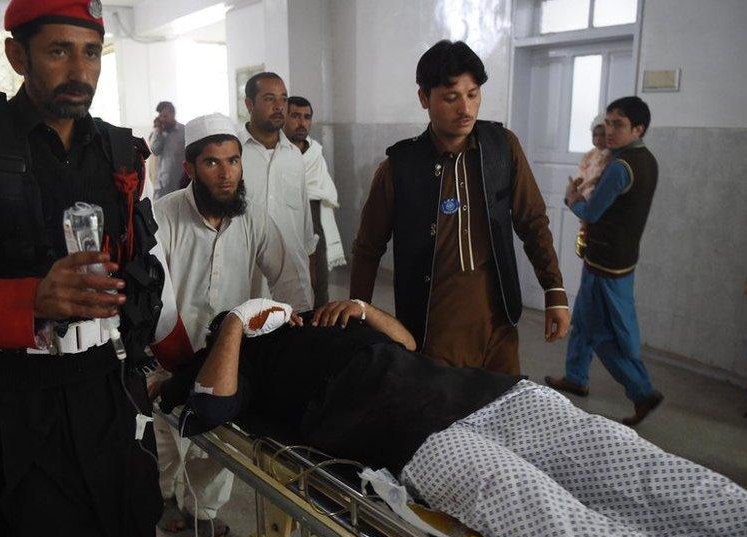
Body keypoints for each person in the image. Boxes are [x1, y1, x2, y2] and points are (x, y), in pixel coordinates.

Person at [159, 298, 747, 537]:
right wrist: (235, 327)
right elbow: (208, 412)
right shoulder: (235, 362)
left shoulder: (314, 318)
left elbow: (409, 345)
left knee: (652, 471)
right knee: (574, 528)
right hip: (416, 441)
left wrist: (362, 310)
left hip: (493, 396)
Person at [0, 1, 193, 537]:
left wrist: (186, 366)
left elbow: (153, 270)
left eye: (92, 52)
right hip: (23, 397)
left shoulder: (122, 151)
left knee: (130, 523)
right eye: (58, 50)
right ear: (16, 54)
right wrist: (31, 299)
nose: (80, 72)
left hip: (112, 387)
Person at [350, 40, 570, 376]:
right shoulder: (400, 168)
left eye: (473, 94)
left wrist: (554, 291)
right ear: (424, 98)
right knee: (446, 416)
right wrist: (359, 314)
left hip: (499, 321)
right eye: (451, 97)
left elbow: (533, 220)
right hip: (434, 325)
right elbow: (368, 248)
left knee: (505, 406)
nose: (465, 108)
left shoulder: (502, 148)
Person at [151, 113, 310, 537]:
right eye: (213, 163)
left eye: (234, 161)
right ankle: (166, 497)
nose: (227, 175)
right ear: (190, 169)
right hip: (171, 347)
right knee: (170, 434)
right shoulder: (163, 217)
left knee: (220, 435)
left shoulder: (252, 217)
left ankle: (204, 510)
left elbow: (289, 275)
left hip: (229, 350)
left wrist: (298, 330)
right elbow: (152, 291)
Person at [546, 96, 664, 426]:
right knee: (583, 321)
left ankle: (642, 392)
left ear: (638, 128)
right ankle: (576, 377)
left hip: (606, 265)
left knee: (603, 333)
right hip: (620, 259)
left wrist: (571, 201)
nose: (610, 131)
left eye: (619, 125)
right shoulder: (646, 159)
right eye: (608, 123)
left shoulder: (620, 167)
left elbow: (592, 212)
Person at [238, 72, 315, 309]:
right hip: (246, 281)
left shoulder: (294, 156)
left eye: (283, 99)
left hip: (292, 285)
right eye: (269, 99)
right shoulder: (234, 155)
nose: (279, 106)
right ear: (249, 104)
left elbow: (305, 228)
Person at [283, 95, 346, 307]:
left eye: (307, 117)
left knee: (318, 283)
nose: (302, 123)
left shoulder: (315, 152)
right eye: (295, 116)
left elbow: (323, 190)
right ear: (283, 117)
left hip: (315, 225)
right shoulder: (275, 154)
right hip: (284, 227)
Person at [570, 114, 610, 259]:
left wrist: (582, 192)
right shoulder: (589, 155)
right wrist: (575, 187)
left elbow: (598, 178)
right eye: (595, 135)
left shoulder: (610, 157)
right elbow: (580, 173)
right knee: (584, 233)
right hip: (581, 195)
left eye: (602, 135)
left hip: (594, 198)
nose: (598, 139)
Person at [149, 100, 186, 200]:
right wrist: (159, 132)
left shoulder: (184, 131)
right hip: (162, 185)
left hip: (180, 185)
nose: (163, 119)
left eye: (165, 116)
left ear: (173, 114)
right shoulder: (159, 132)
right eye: (161, 116)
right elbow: (155, 151)